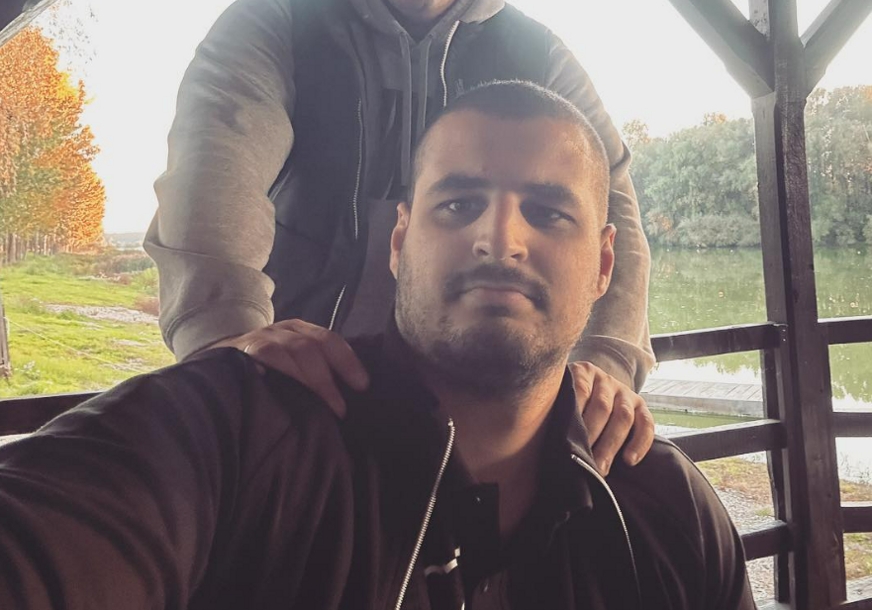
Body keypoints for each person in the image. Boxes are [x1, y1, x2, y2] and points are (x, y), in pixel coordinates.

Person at [0, 82, 753, 609]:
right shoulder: (234, 434)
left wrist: (611, 364)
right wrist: (227, 335)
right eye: (458, 203)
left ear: (605, 263)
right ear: (397, 240)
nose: (500, 239)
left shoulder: (667, 506)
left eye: (549, 213)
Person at [144, 0, 656, 474]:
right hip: (300, 393)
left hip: (480, 417)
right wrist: (227, 343)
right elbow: (212, 175)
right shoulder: (279, 21)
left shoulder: (539, 53)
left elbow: (609, 204)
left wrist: (604, 366)